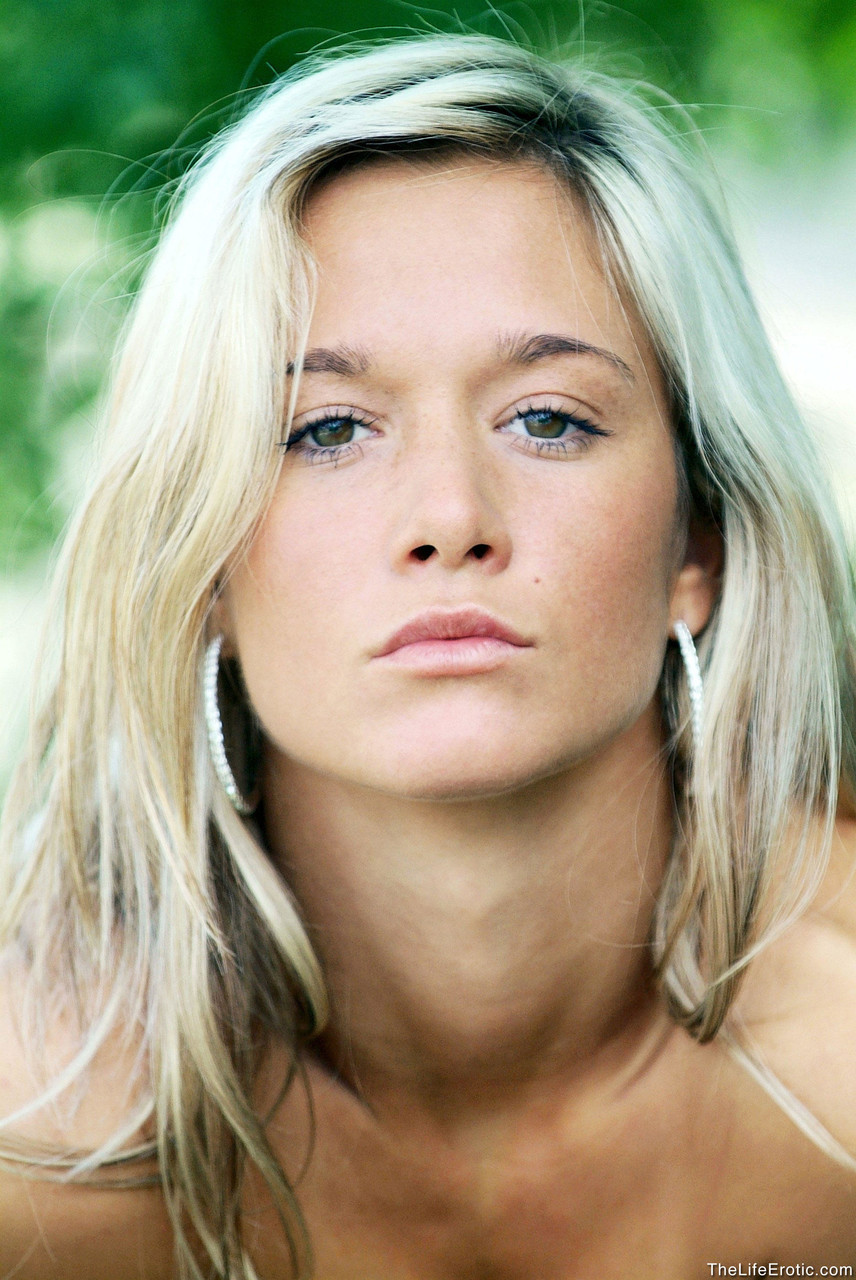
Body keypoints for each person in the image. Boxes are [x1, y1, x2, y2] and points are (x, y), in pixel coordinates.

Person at [1, 30, 855, 1280]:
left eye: (548, 419)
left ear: (700, 540)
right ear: (202, 568)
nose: (450, 516)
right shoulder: (34, 1148)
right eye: (326, 429)